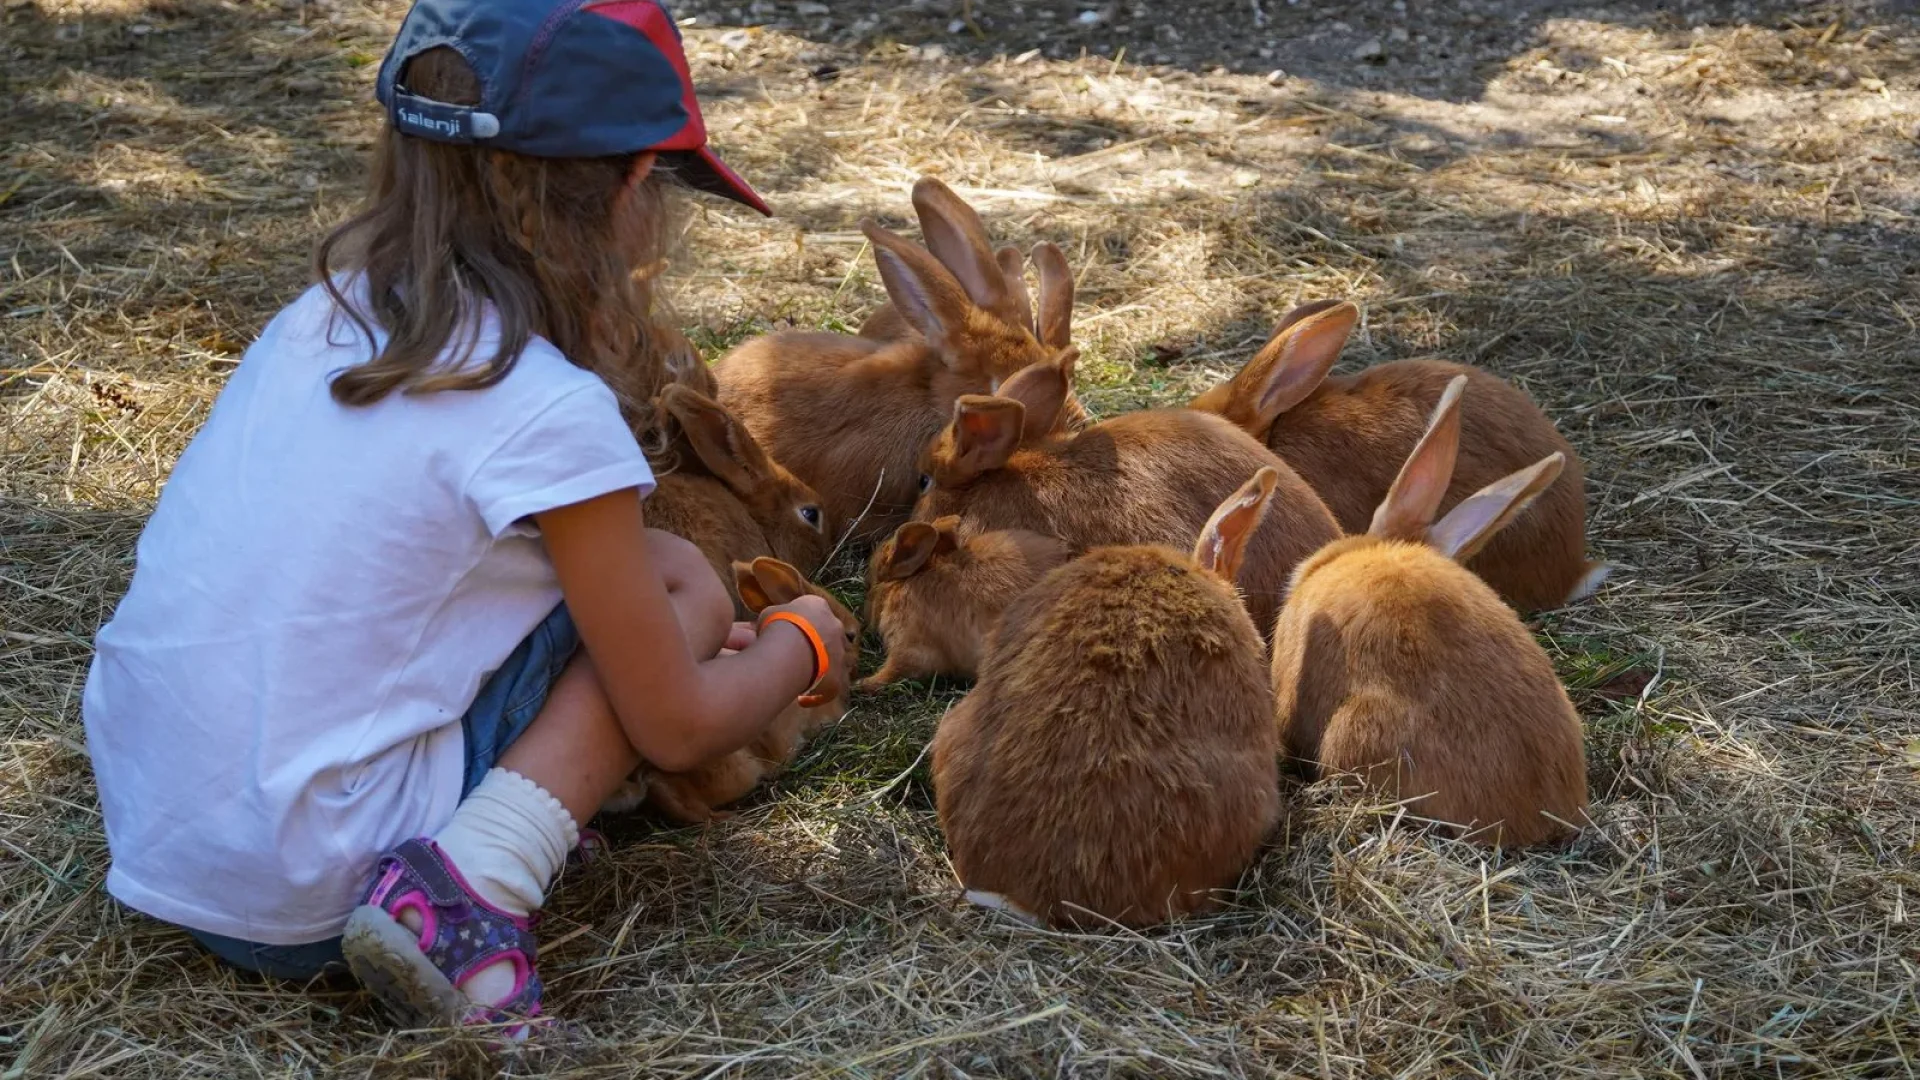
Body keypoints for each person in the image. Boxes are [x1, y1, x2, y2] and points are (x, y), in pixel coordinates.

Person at [80, 0, 843, 1034]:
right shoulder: (548, 409)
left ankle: (471, 821)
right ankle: (469, 887)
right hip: (308, 888)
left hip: (162, 837)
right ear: (628, 188)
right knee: (679, 584)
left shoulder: (327, 312)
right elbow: (675, 725)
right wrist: (801, 645)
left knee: (640, 573)